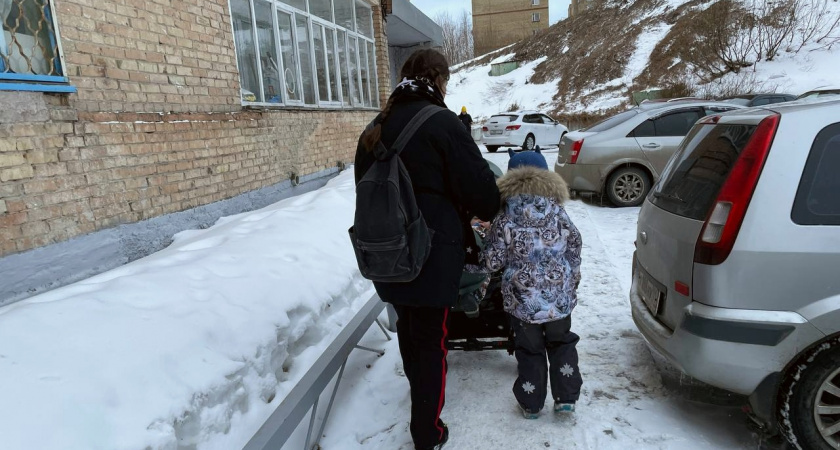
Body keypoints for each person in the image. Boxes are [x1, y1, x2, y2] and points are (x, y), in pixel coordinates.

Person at [355, 49, 500, 449]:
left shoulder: (375, 127)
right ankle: (427, 432)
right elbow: (484, 197)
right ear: (438, 79)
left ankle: (420, 400)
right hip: (432, 252)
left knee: (408, 328)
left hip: (385, 251)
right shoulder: (443, 124)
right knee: (432, 339)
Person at [482, 148, 584, 419]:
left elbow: (493, 261)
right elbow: (574, 246)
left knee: (530, 350)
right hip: (558, 300)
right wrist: (571, 278)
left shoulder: (505, 217)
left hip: (522, 302)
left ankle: (531, 402)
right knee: (561, 343)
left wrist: (476, 261)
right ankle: (566, 400)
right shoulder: (558, 212)